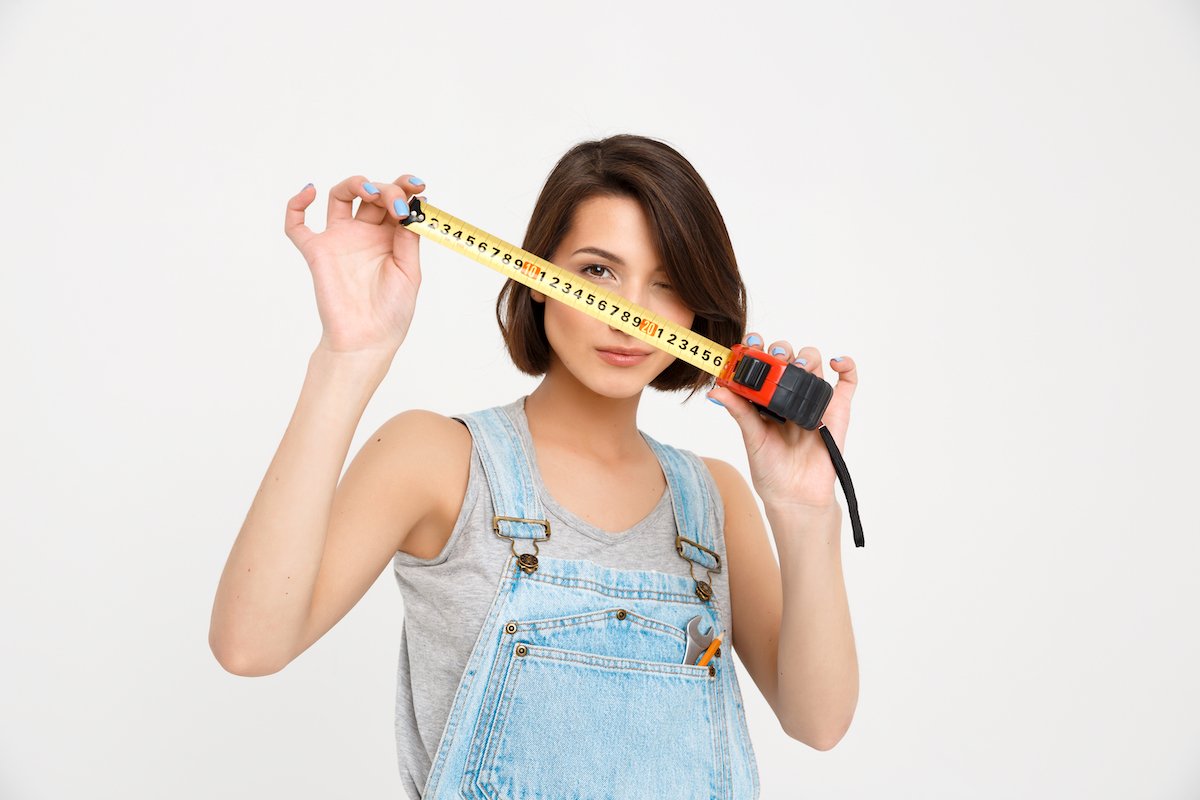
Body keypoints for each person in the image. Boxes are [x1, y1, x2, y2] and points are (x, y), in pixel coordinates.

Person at [209, 133, 860, 799]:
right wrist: (348, 356)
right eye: (599, 272)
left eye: (666, 283)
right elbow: (250, 646)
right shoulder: (438, 461)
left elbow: (820, 722)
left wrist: (805, 512)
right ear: (537, 278)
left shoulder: (714, 499)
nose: (632, 316)